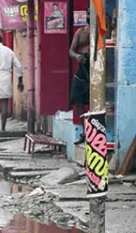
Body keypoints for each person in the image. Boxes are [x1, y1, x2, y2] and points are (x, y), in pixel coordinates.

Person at [70, 13, 90, 144]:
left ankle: (96, 131)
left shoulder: (102, 29)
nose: (89, 15)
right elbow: (71, 50)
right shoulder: (80, 31)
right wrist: (77, 57)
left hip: (97, 65)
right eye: (88, 13)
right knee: (77, 99)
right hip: (82, 66)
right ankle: (85, 131)